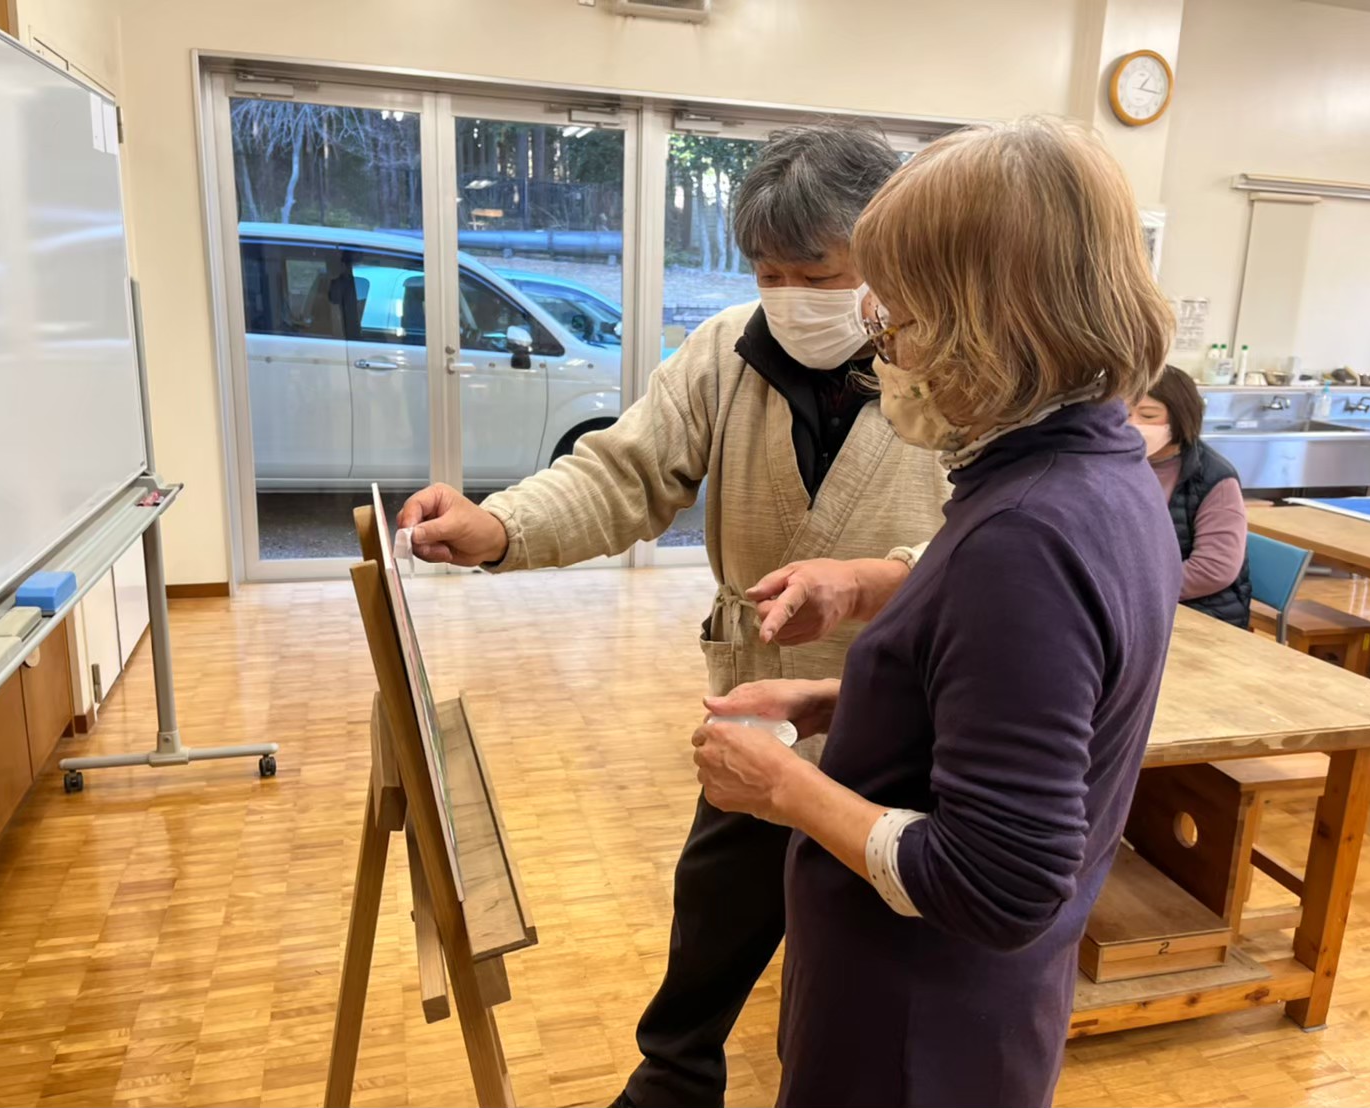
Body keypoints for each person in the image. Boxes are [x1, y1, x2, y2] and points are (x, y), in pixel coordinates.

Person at [395, 123, 949, 1108]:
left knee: (861, 949)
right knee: (712, 920)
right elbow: (624, 472)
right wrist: (499, 525)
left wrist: (871, 578)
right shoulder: (724, 352)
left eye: (816, 273)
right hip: (755, 700)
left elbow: (982, 542)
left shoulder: (948, 366)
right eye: (767, 272)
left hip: (898, 707)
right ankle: (673, 1082)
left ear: (884, 255)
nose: (790, 294)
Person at [692, 118, 1182, 1108]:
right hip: (949, 1015)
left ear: (988, 321)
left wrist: (783, 785)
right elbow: (1010, 702)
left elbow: (997, 883)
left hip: (915, 1034)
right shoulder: (1100, 469)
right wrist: (843, 700)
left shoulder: (1024, 534)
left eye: (898, 323)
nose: (887, 353)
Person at [1130, 365, 1252, 627]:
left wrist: (1136, 593)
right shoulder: (1118, 464)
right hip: (1135, 606)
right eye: (1124, 414)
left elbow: (1214, 569)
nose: (1133, 425)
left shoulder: (1213, 478)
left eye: (1148, 415)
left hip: (1200, 611)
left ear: (1180, 416)